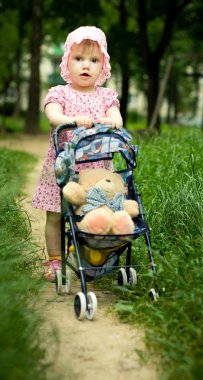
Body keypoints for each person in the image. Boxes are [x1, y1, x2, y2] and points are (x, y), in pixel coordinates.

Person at [32, 26, 123, 281]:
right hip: (63, 168)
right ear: (67, 62)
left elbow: (117, 118)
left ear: (102, 65)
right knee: (56, 215)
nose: (86, 66)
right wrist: (71, 119)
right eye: (79, 59)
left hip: (96, 170)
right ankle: (54, 260)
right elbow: (53, 116)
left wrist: (111, 121)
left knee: (94, 214)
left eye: (94, 60)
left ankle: (90, 256)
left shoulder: (106, 97)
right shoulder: (59, 93)